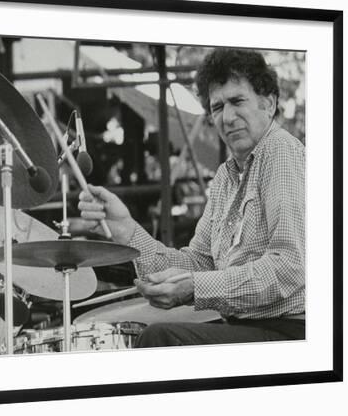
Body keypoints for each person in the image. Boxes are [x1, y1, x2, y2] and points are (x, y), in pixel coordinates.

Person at [78, 48, 305, 347]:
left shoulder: (280, 152)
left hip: (291, 333)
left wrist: (195, 287)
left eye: (237, 101)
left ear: (269, 103)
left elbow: (289, 267)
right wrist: (127, 231)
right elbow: (199, 262)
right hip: (245, 327)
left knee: (159, 339)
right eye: (217, 107)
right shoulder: (226, 176)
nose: (227, 117)